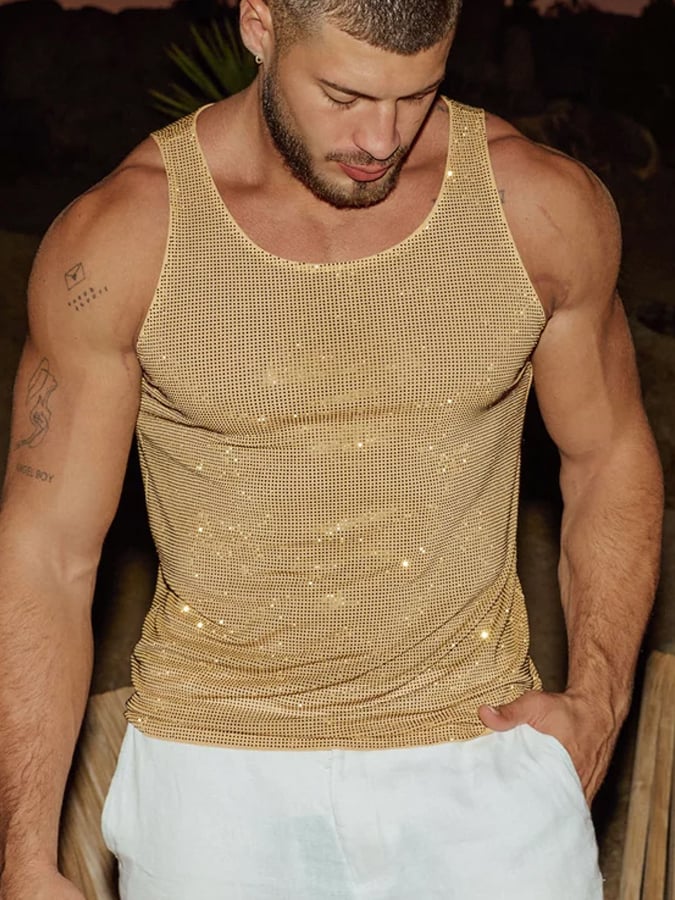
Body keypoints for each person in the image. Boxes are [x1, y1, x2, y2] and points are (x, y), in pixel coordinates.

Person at [0, 0, 664, 897]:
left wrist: (598, 702)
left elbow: (609, 455)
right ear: (259, 25)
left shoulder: (537, 206)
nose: (379, 139)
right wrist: (26, 859)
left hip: (481, 756)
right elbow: (45, 553)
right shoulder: (125, 235)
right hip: (213, 776)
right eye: (343, 96)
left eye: (415, 95)